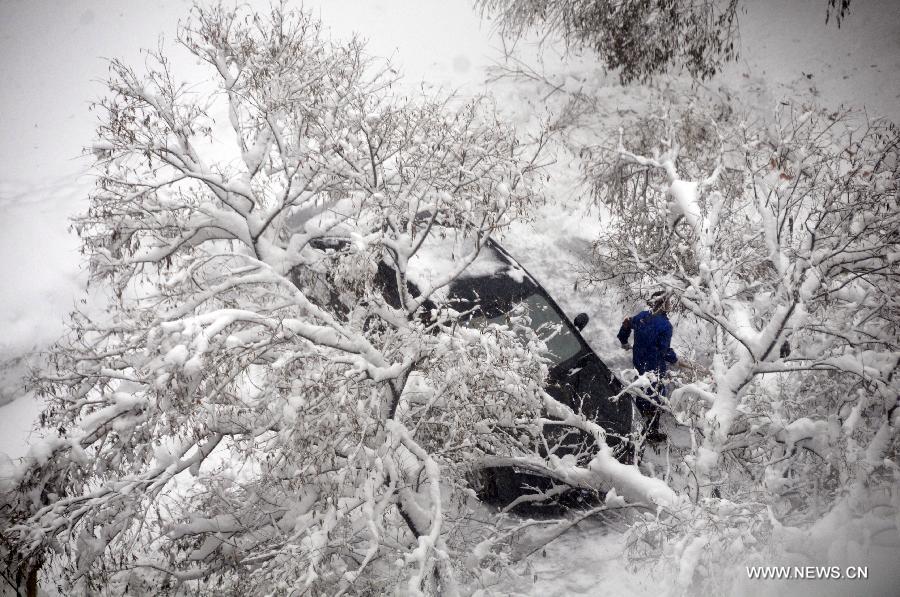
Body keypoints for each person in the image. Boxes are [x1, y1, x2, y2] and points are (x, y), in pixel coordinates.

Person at [616, 289, 677, 441]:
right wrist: (674, 358)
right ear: (662, 304)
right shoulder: (665, 326)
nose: (670, 304)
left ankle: (637, 426)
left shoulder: (642, 317)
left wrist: (624, 340)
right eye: (668, 302)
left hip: (639, 363)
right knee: (654, 397)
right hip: (654, 366)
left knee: (641, 393)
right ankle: (651, 432)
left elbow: (626, 323)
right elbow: (664, 351)